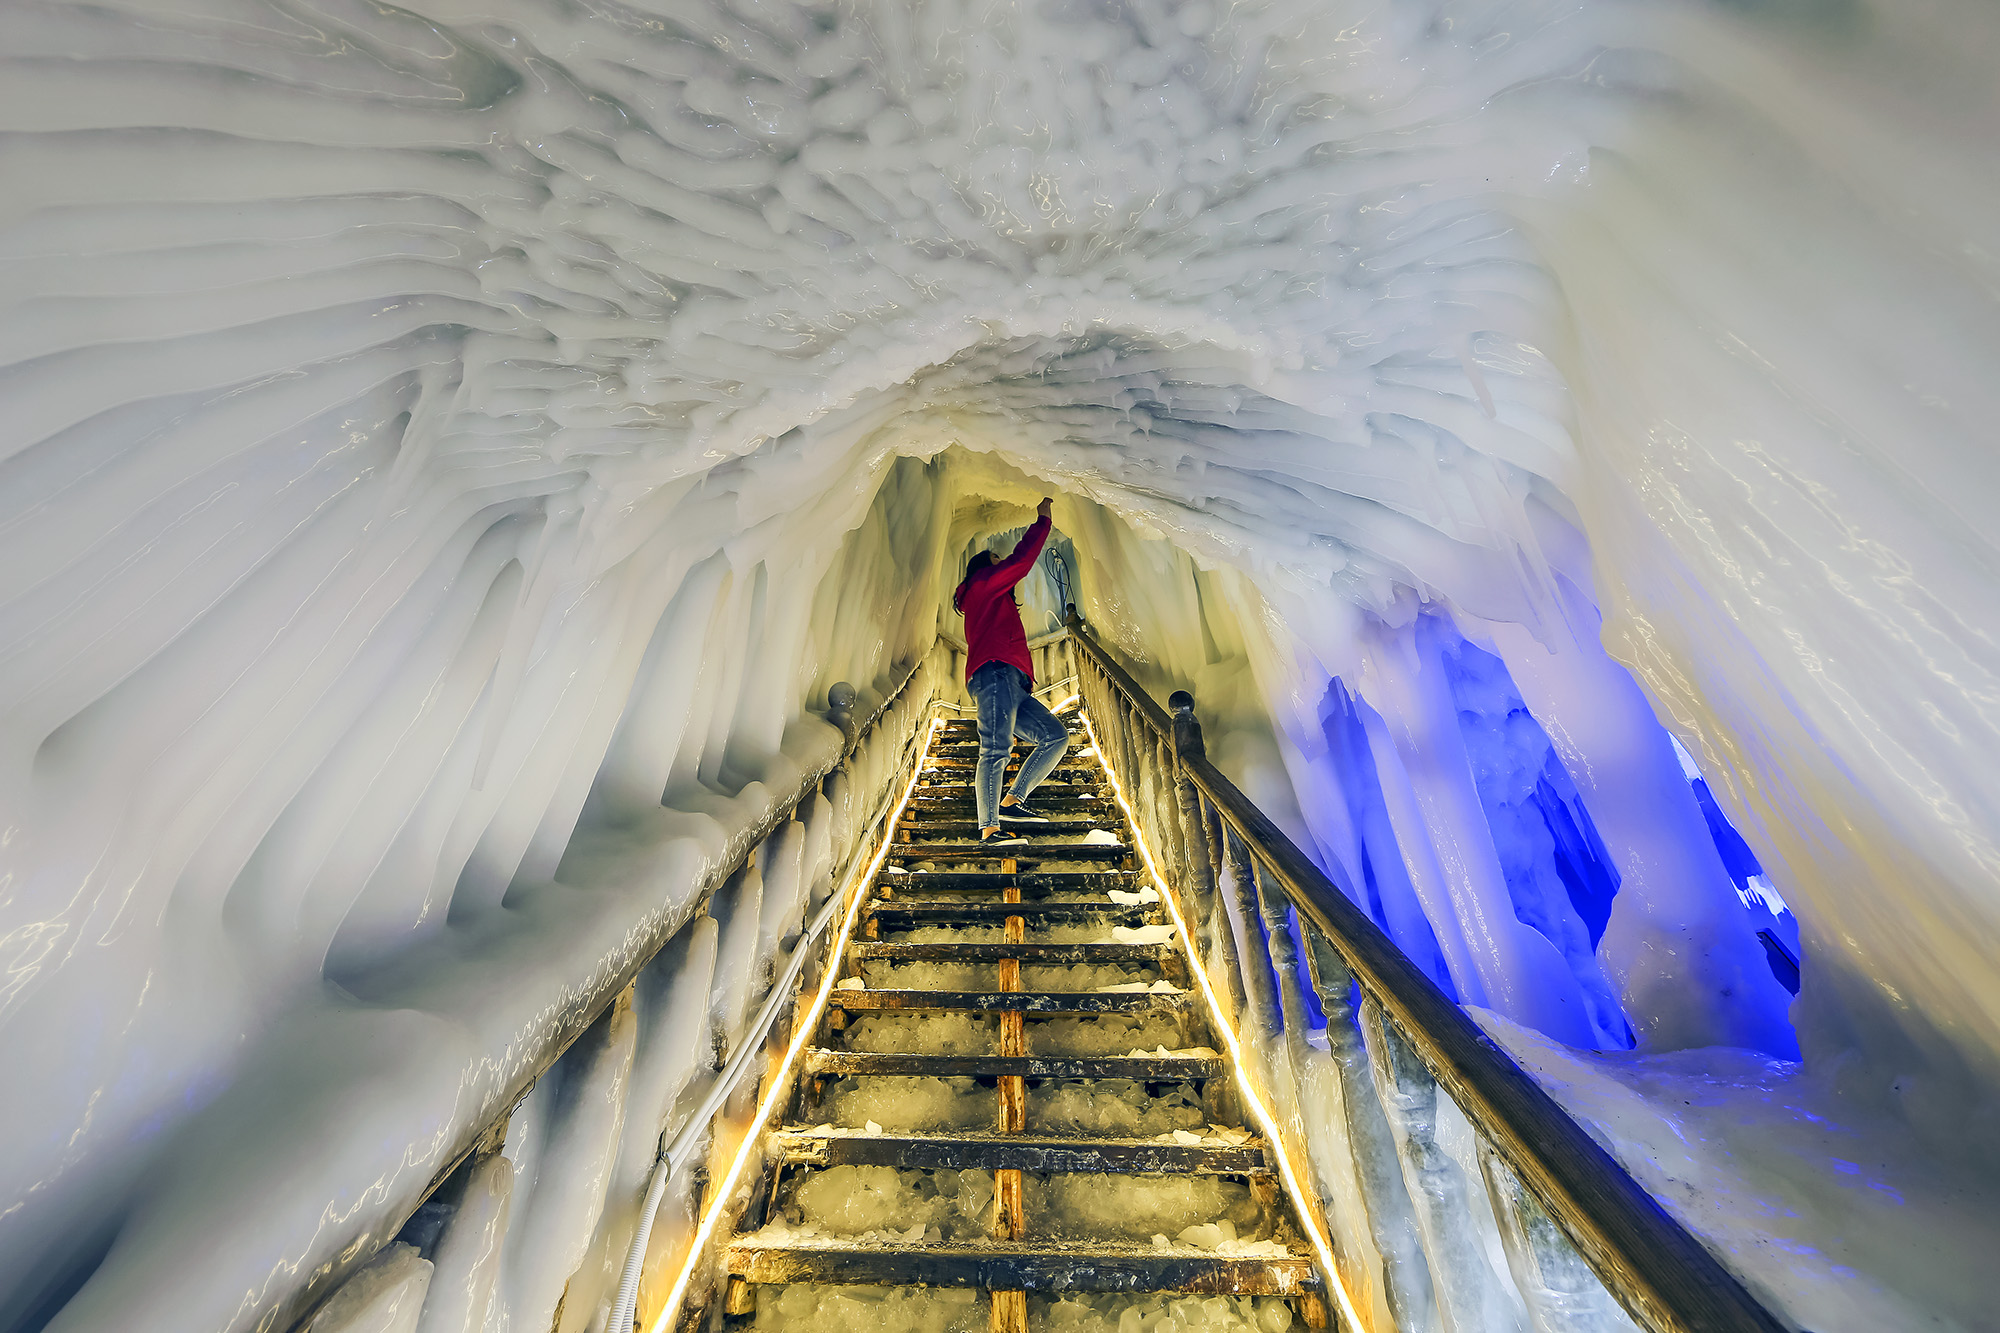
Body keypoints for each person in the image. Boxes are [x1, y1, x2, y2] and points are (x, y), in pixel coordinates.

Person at [954, 497, 1070, 846]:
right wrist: (1042, 523)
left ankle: (1012, 800)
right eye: (994, 561)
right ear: (981, 568)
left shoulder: (993, 599)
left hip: (1013, 681)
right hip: (994, 673)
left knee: (1055, 737)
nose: (1000, 564)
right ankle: (989, 828)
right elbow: (1020, 562)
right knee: (995, 749)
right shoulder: (981, 586)